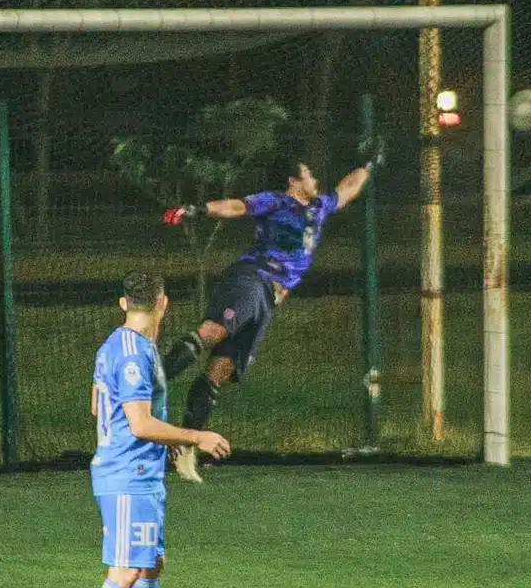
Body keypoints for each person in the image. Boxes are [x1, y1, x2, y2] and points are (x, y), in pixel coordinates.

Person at [158, 143, 381, 481]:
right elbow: (236, 206)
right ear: (294, 180)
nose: (315, 178)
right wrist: (197, 210)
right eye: (308, 173)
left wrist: (369, 163)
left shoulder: (319, 207)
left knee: (219, 370)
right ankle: (143, 383)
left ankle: (184, 451)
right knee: (212, 332)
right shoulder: (276, 201)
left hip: (269, 300)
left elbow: (347, 188)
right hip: (253, 279)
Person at [83, 272, 231, 588]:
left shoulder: (123, 345)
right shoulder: (133, 353)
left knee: (150, 563)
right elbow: (140, 422)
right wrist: (196, 436)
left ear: (123, 303)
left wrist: (162, 444)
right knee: (126, 569)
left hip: (139, 472)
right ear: (163, 304)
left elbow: (100, 407)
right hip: (127, 476)